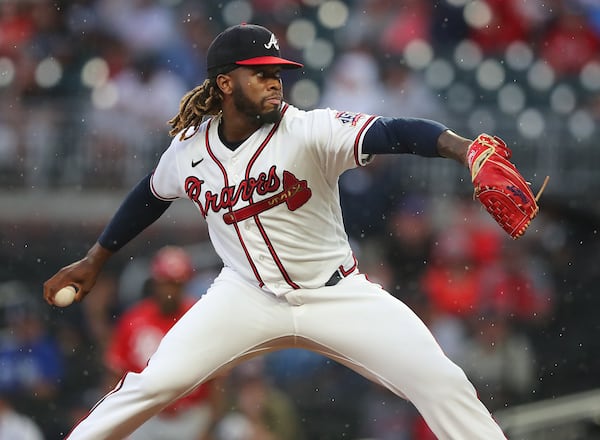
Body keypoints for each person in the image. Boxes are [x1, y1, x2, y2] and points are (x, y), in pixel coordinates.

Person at [43, 23, 514, 439]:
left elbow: (395, 131)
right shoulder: (191, 149)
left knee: (442, 383)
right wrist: (95, 258)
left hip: (337, 295)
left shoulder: (310, 130)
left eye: (277, 72)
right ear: (225, 83)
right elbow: (149, 195)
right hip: (245, 296)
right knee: (156, 383)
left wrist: (465, 149)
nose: (274, 82)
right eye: (261, 73)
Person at [102, 246, 222, 440]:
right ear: (155, 283)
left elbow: (217, 378)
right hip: (144, 417)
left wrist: (212, 426)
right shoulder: (134, 319)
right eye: (165, 283)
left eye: (175, 284)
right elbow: (114, 375)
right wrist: (114, 421)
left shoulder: (199, 317)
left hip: (190, 416)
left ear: (184, 284)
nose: (170, 291)